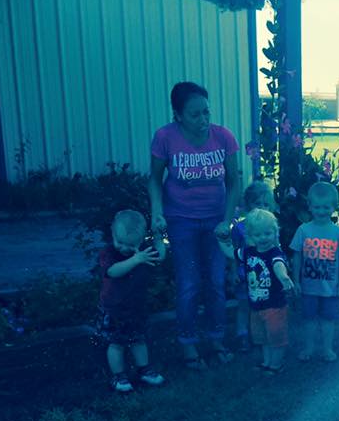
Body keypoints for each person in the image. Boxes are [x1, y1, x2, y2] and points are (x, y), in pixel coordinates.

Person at [149, 81, 241, 369]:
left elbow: (234, 180)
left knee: (215, 282)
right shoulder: (165, 138)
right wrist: (156, 212)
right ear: (178, 115)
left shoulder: (223, 137)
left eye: (206, 112)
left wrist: (227, 220)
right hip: (181, 221)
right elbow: (154, 179)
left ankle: (216, 339)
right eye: (195, 115)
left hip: (216, 221)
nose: (203, 120)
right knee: (189, 284)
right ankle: (188, 345)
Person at [95, 210, 167, 393]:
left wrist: (159, 236)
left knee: (138, 340)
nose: (124, 248)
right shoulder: (109, 253)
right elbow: (112, 272)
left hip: (136, 307)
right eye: (120, 242)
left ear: (141, 240)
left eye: (131, 245)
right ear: (113, 233)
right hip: (114, 309)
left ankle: (144, 369)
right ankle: (118, 376)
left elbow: (160, 255)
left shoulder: (143, 252)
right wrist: (136, 259)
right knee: (116, 343)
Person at [217, 208, 293, 374]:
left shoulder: (274, 253)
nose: (263, 238)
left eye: (267, 233)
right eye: (258, 235)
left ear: (275, 233)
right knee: (262, 337)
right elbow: (231, 253)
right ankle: (266, 362)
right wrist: (221, 239)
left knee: (276, 337)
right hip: (257, 306)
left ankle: (276, 365)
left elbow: (278, 265)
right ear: (250, 236)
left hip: (274, 306)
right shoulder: (248, 252)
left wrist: (283, 277)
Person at [290, 181, 339, 362]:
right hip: (309, 287)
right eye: (317, 207)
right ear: (309, 206)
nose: (321, 211)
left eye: (326, 207)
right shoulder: (303, 230)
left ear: (334, 207)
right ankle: (308, 348)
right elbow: (297, 257)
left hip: (330, 288)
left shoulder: (338, 232)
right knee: (308, 319)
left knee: (328, 320)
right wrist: (296, 281)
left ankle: (327, 349)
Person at [231, 181, 277, 353]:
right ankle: (242, 334)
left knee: (262, 306)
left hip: (264, 276)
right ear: (249, 205)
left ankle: (261, 335)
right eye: (258, 204)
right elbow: (233, 251)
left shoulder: (271, 226)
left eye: (266, 204)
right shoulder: (239, 228)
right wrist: (233, 271)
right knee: (244, 305)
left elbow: (276, 250)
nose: (262, 208)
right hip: (245, 275)